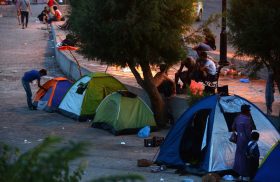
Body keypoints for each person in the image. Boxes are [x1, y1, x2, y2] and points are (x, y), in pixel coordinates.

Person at [232, 104, 254, 180]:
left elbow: (233, 127)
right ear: (246, 111)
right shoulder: (247, 119)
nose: (250, 111)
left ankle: (236, 170)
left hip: (239, 138)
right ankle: (243, 172)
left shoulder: (237, 117)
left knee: (238, 154)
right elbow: (248, 132)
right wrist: (251, 139)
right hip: (245, 139)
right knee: (244, 156)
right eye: (249, 110)